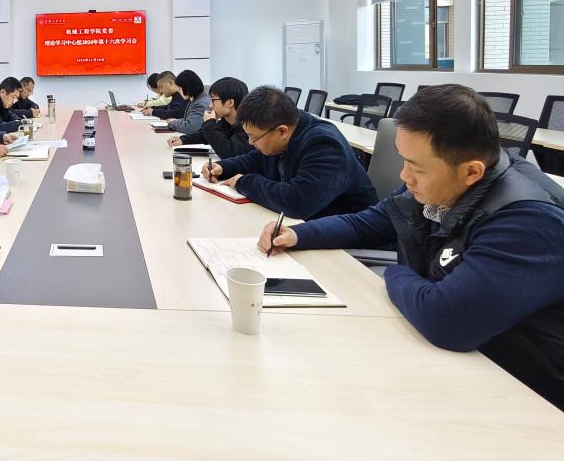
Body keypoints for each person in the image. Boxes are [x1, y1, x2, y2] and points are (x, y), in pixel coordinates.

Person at [258, 84, 564, 410]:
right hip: (469, 350)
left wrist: (395, 273)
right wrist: (299, 235)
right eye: (404, 161)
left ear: (471, 171)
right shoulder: (444, 181)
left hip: (528, 386)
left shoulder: (527, 220)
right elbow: (370, 222)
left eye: (416, 167)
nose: (404, 176)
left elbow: (447, 321)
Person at [202, 86, 376, 219]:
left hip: (349, 240)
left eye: (254, 137)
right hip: (310, 226)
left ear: (282, 131)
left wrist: (244, 182)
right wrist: (223, 167)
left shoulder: (324, 145)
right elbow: (256, 159)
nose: (250, 143)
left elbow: (297, 202)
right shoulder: (285, 132)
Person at [168, 77, 252, 158]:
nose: (210, 105)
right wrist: (183, 140)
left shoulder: (248, 125)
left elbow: (229, 152)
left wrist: (209, 123)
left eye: (213, 100)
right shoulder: (226, 121)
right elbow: (204, 136)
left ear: (230, 103)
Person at [165, 70, 211, 135]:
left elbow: (190, 127)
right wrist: (178, 121)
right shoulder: (196, 99)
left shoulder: (200, 103)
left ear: (187, 87)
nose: (178, 91)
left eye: (179, 88)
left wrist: (172, 123)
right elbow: (191, 119)